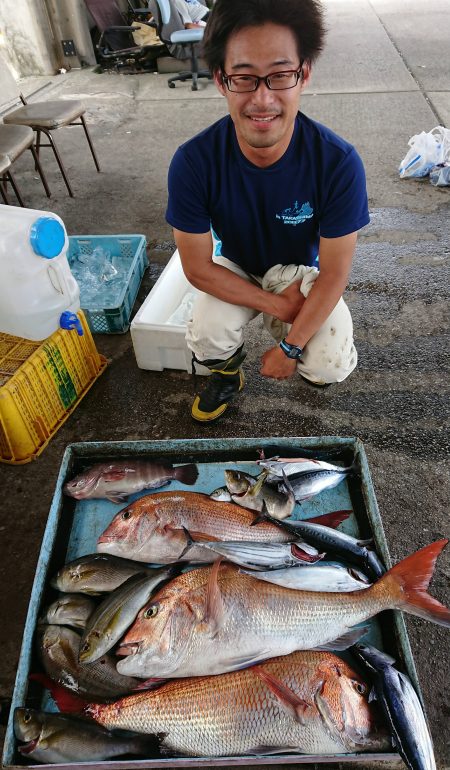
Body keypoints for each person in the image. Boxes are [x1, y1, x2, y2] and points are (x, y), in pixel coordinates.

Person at [166, 0, 369, 422]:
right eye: (244, 77)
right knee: (205, 334)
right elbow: (198, 267)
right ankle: (227, 374)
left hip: (299, 272)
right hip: (235, 265)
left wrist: (290, 347)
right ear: (221, 80)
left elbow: (334, 273)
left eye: (279, 76)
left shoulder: (338, 162)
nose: (262, 99)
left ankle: (310, 373)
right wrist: (279, 308)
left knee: (327, 364)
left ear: (304, 74)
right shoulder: (192, 162)